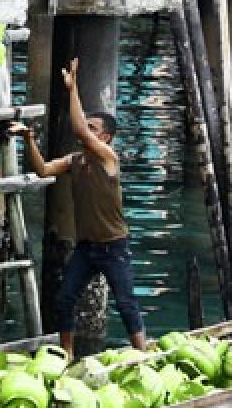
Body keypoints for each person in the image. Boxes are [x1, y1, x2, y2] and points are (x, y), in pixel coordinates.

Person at [10, 58, 147, 360]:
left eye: (94, 128)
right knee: (64, 299)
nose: (87, 130)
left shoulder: (108, 158)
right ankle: (67, 354)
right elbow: (44, 170)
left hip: (114, 246)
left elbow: (80, 129)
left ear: (105, 138)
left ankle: (144, 355)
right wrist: (29, 139)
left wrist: (72, 90)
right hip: (86, 248)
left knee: (126, 303)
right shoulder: (76, 160)